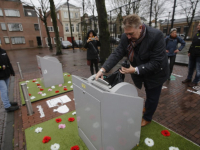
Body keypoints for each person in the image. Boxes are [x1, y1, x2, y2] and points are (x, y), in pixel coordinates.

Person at [95, 14, 169, 127]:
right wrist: (103, 69)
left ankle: (148, 117)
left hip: (156, 73)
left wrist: (134, 70)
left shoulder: (156, 36)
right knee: (147, 92)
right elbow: (118, 52)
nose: (128, 37)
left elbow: (156, 62)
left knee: (152, 95)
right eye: (126, 33)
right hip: (140, 69)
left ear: (140, 27)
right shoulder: (126, 37)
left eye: (131, 34)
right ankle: (147, 106)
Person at [0, 44, 19, 112]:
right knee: (4, 90)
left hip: (6, 74)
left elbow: (8, 62)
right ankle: (7, 106)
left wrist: (11, 71)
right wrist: (1, 67)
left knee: (6, 90)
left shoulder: (3, 51)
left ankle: (8, 102)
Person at [182, 22, 200, 87]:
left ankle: (195, 81)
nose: (198, 26)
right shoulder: (197, 34)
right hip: (193, 54)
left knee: (198, 70)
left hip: (199, 56)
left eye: (199, 25)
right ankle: (189, 78)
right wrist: (189, 51)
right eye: (198, 25)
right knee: (190, 68)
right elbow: (193, 44)